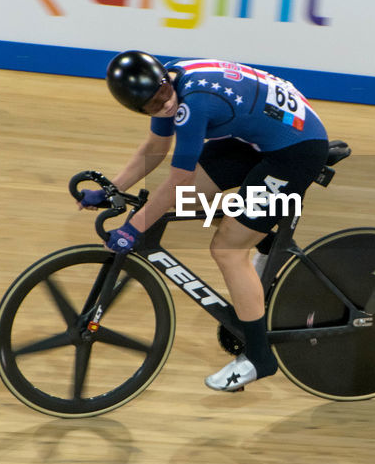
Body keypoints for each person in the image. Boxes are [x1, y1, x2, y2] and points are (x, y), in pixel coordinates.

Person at [82, 50, 330, 391]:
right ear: (138, 108)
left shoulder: (194, 102)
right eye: (153, 106)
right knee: (182, 203)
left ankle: (259, 358)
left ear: (165, 79)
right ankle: (263, 238)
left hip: (296, 148)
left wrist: (132, 227)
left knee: (227, 249)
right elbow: (155, 145)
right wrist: (113, 187)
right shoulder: (167, 85)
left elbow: (178, 178)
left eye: (164, 94)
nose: (165, 105)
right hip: (258, 135)